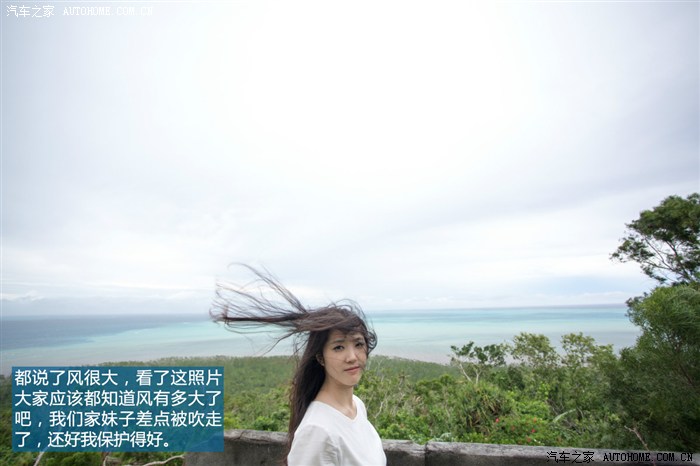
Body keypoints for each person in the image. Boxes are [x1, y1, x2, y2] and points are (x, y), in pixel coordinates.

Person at [210, 265, 387, 466]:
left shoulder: (357, 406)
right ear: (320, 357)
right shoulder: (318, 430)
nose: (352, 357)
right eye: (338, 347)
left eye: (358, 344)